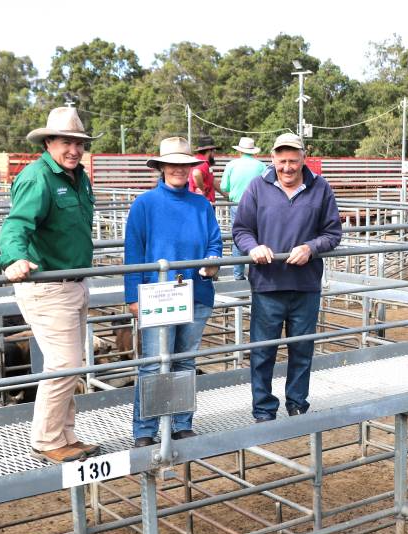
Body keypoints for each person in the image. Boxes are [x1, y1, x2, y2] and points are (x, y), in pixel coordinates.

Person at [0, 107, 101, 464]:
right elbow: (16, 225)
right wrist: (13, 258)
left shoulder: (78, 177)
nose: (73, 150)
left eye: (78, 143)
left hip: (73, 283)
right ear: (49, 142)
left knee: (73, 363)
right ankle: (45, 439)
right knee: (63, 364)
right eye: (66, 142)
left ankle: (66, 434)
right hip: (48, 286)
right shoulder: (37, 177)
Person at [232, 133, 341, 422]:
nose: (288, 167)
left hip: (305, 284)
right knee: (263, 351)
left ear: (303, 159)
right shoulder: (257, 187)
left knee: (302, 349)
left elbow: (332, 233)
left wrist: (310, 248)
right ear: (272, 159)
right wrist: (253, 247)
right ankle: (264, 409)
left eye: (293, 160)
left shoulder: (321, 188)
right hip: (268, 283)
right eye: (282, 161)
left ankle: (297, 404)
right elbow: (241, 228)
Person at [124, 137, 223, 447]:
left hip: (195, 291)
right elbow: (134, 252)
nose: (179, 169)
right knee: (154, 362)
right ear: (162, 167)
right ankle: (145, 429)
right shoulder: (144, 204)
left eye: (184, 164)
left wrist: (212, 261)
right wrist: (132, 296)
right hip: (158, 295)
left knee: (184, 361)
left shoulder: (201, 205)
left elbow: (214, 242)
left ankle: (181, 423)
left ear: (190, 168)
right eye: (173, 164)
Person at [220, 137, 267, 281]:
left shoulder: (232, 165)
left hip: (237, 204)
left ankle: (238, 275)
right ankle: (257, 273)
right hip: (257, 204)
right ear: (253, 151)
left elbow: (224, 187)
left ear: (239, 151)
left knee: (238, 238)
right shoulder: (261, 166)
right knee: (258, 238)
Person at [188, 134, 219, 202]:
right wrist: (202, 190)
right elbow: (196, 174)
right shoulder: (203, 163)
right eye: (214, 151)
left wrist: (225, 194)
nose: (214, 154)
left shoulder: (198, 161)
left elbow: (212, 182)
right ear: (209, 151)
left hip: (200, 201)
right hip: (204, 202)